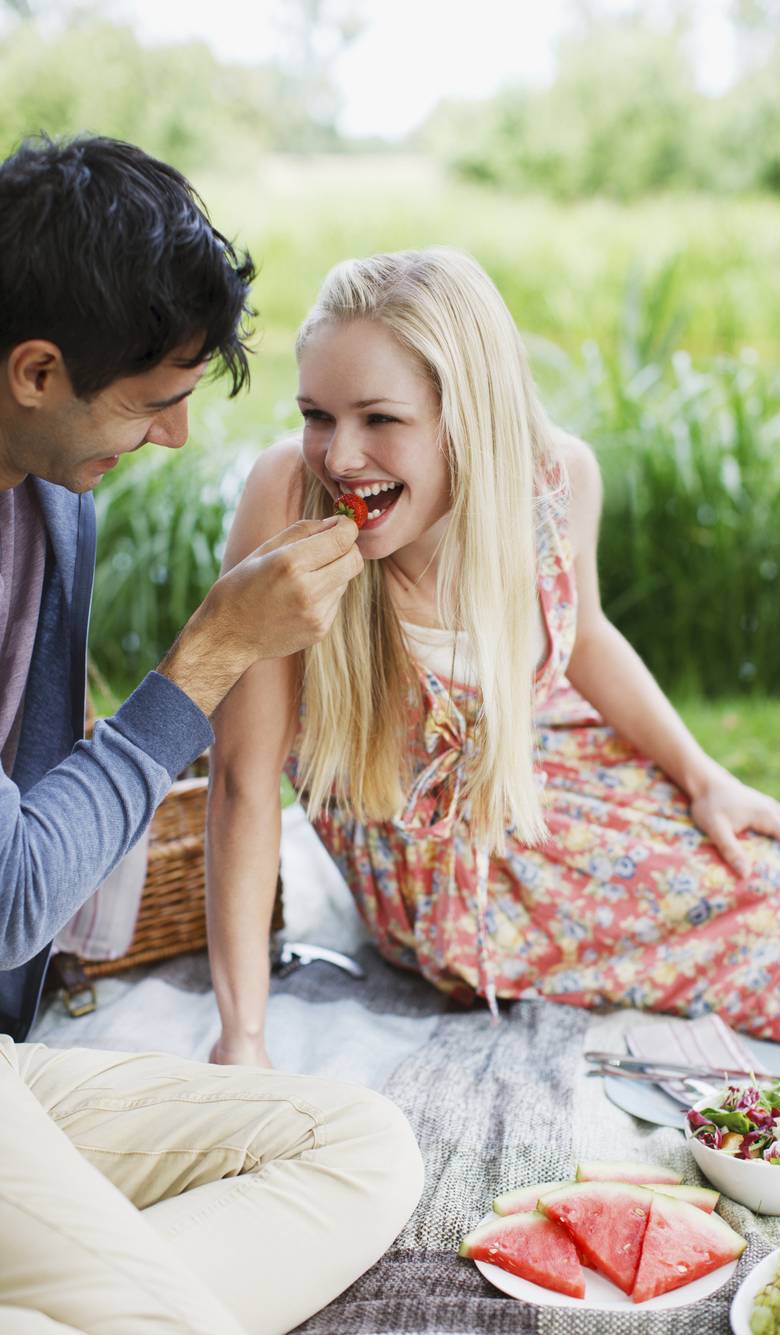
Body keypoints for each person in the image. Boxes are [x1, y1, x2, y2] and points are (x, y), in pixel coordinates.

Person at [206, 246, 780, 1070]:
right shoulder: (285, 493)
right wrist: (241, 1035)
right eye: (317, 414)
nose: (340, 455)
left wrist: (706, 778)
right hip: (437, 866)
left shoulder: (559, 479)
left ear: (473, 412)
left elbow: (585, 634)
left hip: (532, 761)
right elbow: (244, 778)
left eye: (380, 419)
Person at [0, 136, 423, 1335]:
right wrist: (210, 655)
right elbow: (10, 891)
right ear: (37, 370)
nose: (179, 440)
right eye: (156, 404)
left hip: (13, 1073)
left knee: (359, 1145)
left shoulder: (52, 500)